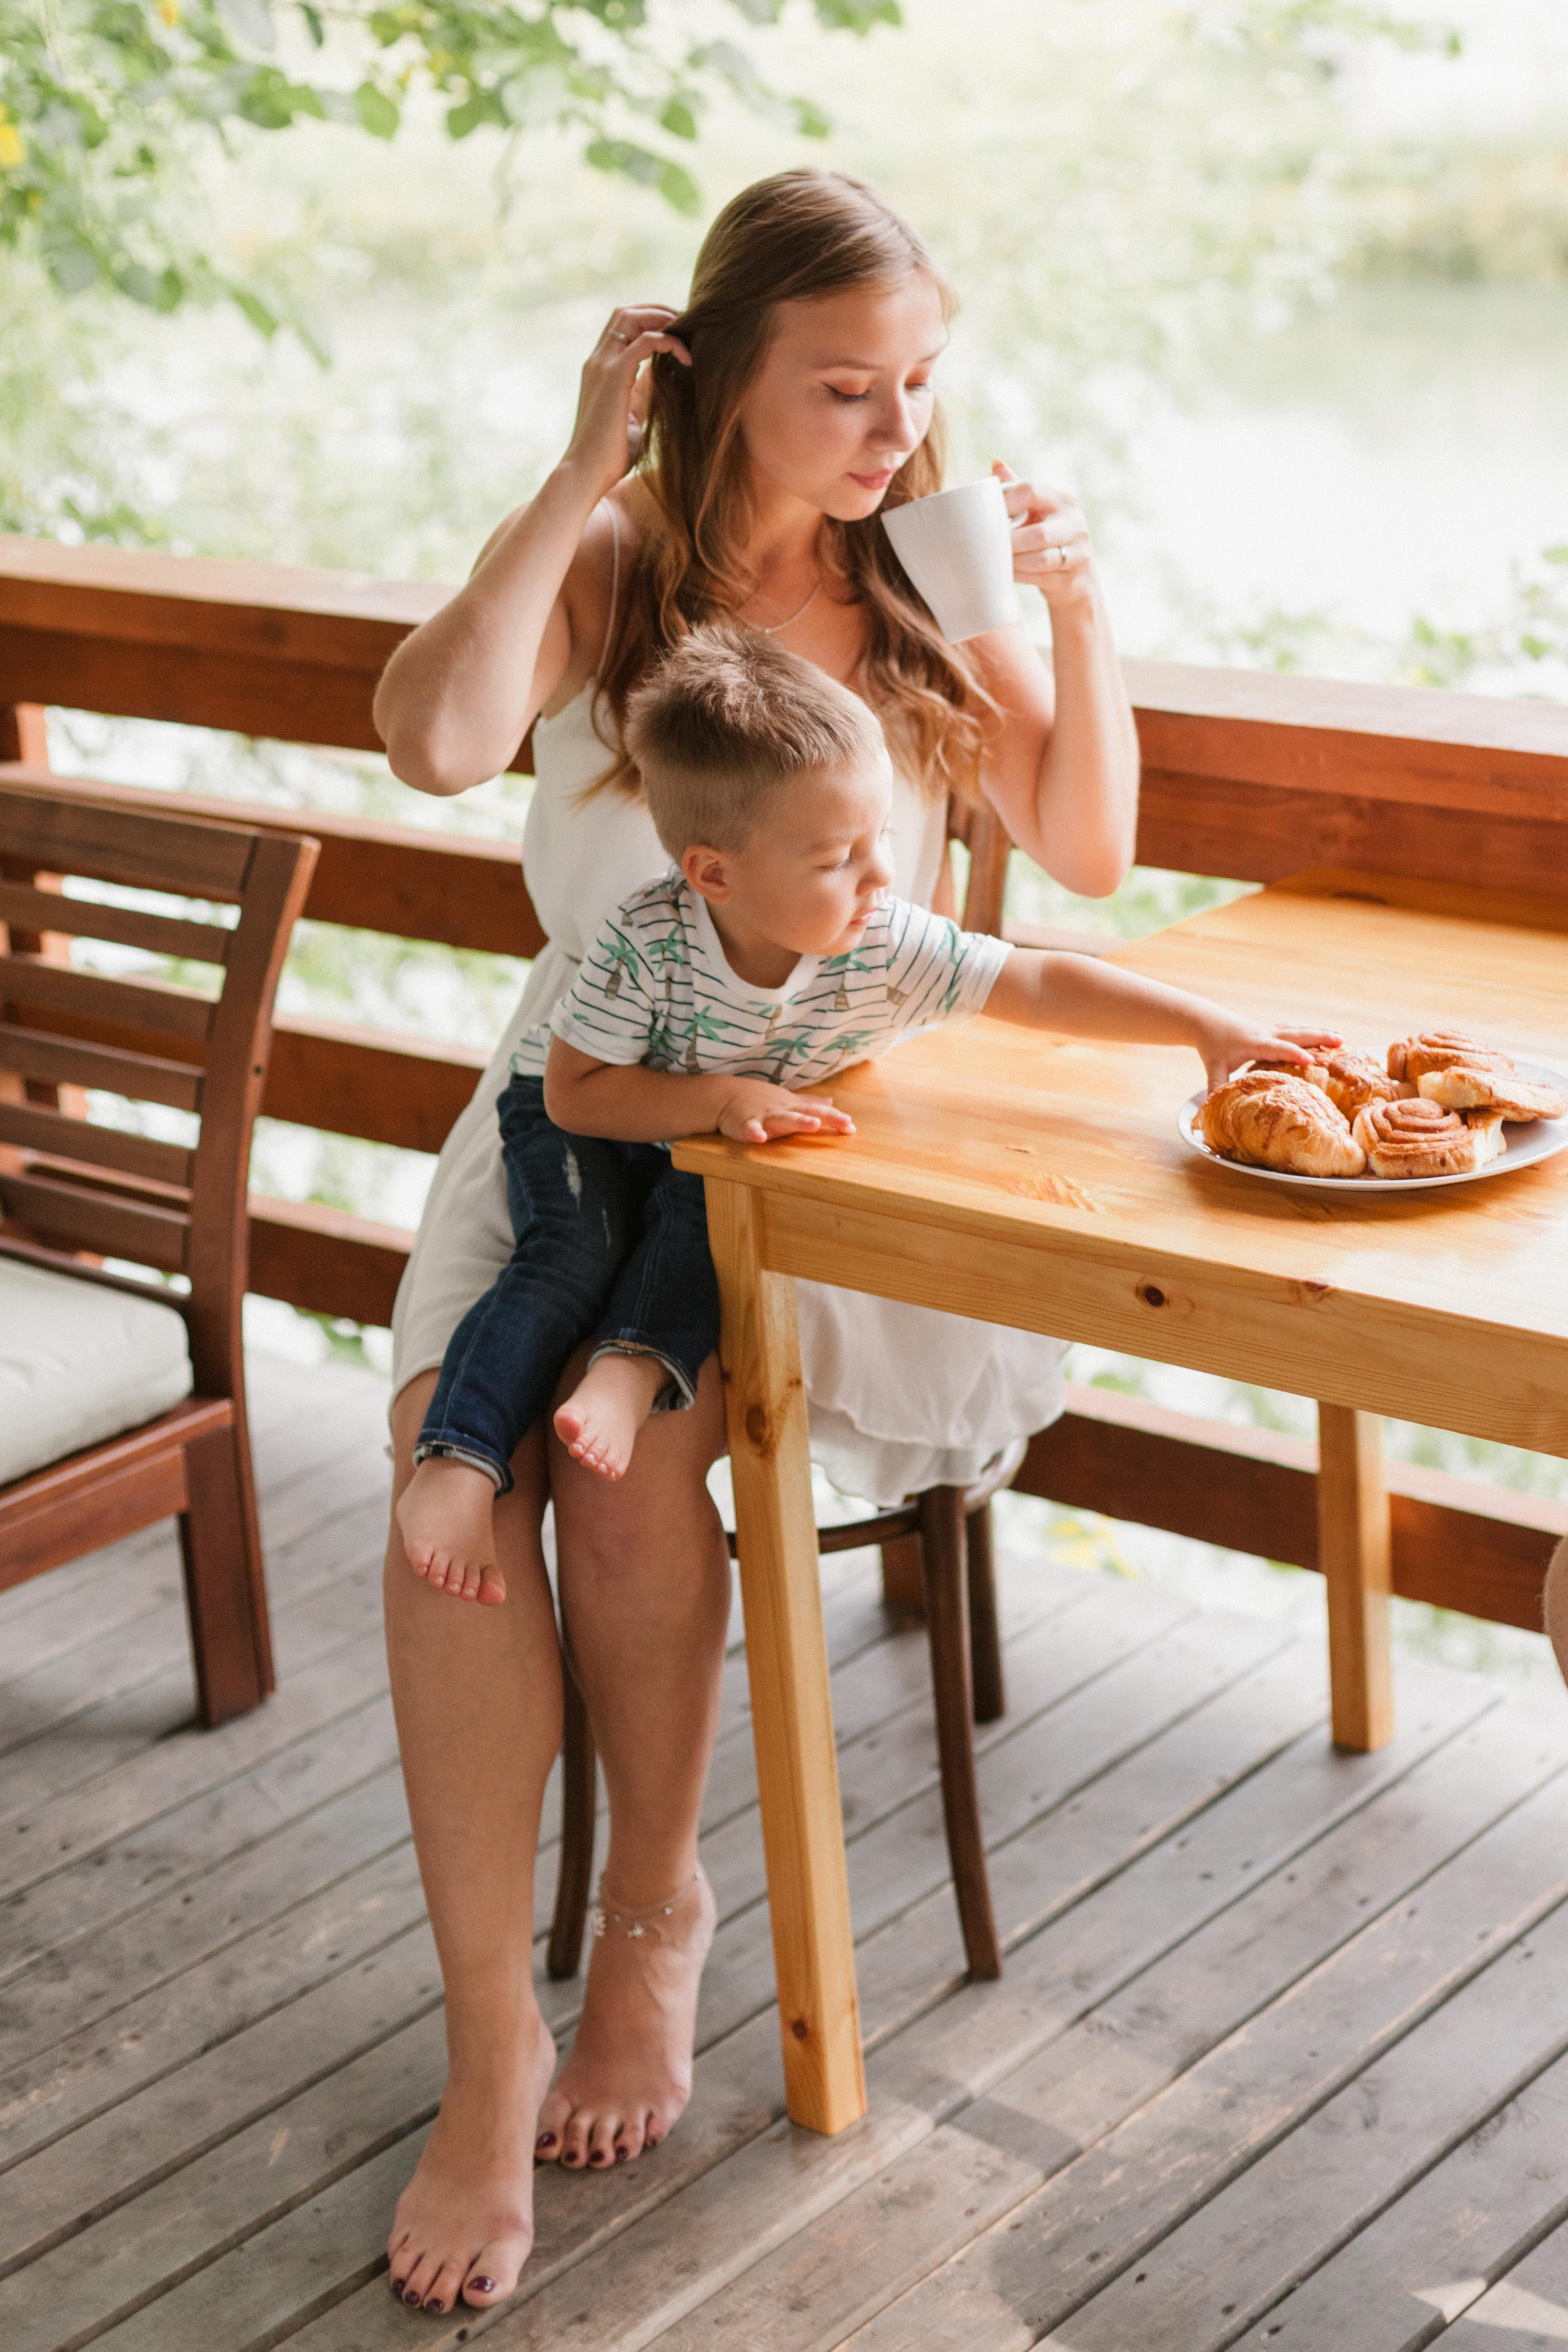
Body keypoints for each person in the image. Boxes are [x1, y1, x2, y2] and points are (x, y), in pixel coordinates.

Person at [371, 165, 1145, 2318]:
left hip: (801, 1127)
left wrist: (1077, 612)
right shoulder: (612, 569)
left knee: (623, 1484)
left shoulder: (923, 572)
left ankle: (650, 1923)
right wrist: (570, 470)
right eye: (848, 388)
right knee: (451, 1458)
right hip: (572, 1098)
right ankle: (480, 2045)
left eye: (919, 387)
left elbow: (1083, 846)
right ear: (705, 372)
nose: (898, 432)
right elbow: (435, 739)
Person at [399, 623, 1323, 1610]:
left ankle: (628, 1371)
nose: (883, 876)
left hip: (704, 1136)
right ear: (714, 874)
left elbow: (1041, 986)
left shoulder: (878, 939)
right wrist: (719, 1097)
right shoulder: (649, 942)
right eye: (841, 856)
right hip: (582, 1113)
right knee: (570, 1252)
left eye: (880, 838)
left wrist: (1204, 1029)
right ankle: (454, 1463)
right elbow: (575, 1092)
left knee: (704, 1218)